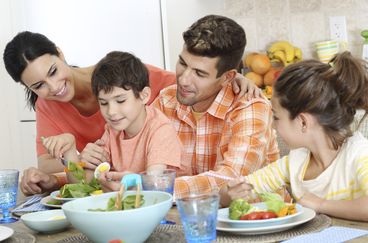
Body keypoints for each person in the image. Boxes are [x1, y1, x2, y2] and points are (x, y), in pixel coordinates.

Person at [3, 31, 259, 195]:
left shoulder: (121, 77)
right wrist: (73, 160)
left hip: (152, 190)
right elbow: (56, 165)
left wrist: (233, 79)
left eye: (53, 72)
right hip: (109, 186)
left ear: (60, 53)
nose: (54, 87)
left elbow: (193, 85)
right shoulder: (49, 107)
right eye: (38, 86)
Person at [98, 15, 280, 198]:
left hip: (258, 218)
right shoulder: (166, 100)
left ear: (227, 77)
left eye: (199, 73)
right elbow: (140, 158)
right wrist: (101, 159)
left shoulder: (250, 108)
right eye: (182, 63)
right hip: (186, 216)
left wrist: (150, 186)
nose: (183, 80)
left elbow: (232, 181)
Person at [219, 52, 368, 223]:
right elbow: (233, 193)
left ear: (303, 122)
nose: (272, 125)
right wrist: (230, 193)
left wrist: (320, 204)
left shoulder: (358, 154)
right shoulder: (295, 162)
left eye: (276, 117)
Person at [41, 51, 183, 187]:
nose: (111, 112)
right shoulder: (112, 131)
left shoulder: (159, 129)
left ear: (144, 95)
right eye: (103, 103)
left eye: (120, 101)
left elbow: (154, 185)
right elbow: (83, 184)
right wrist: (70, 151)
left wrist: (125, 183)